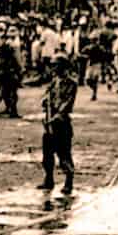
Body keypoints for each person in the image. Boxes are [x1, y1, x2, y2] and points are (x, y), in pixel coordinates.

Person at [41, 56, 77, 195]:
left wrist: (57, 116)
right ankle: (48, 179)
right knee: (47, 155)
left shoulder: (71, 83)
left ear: (63, 66)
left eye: (56, 65)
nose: (53, 68)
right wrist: (44, 102)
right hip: (49, 122)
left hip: (62, 124)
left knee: (64, 155)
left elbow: (68, 103)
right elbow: (45, 97)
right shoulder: (53, 82)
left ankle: (69, 182)